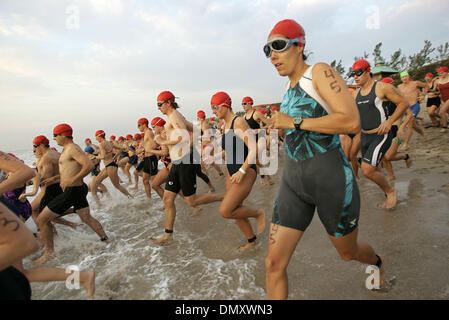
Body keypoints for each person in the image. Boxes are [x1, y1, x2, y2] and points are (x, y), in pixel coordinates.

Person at [263, 19, 385, 299]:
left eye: (279, 46)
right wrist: (281, 125)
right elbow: (299, 127)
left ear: (300, 45)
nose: (273, 55)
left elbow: (351, 121)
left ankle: (377, 262)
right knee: (273, 264)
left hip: (331, 182)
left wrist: (293, 121)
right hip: (293, 184)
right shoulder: (288, 88)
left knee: (348, 253)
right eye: (267, 50)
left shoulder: (318, 72)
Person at [0, 151, 96, 299]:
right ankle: (83, 276)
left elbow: (29, 173)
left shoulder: (48, 157)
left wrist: (31, 192)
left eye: (35, 148)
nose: (34, 150)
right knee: (23, 273)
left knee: (42, 222)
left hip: (18, 208)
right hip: (15, 209)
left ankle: (51, 248)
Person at [151, 91, 223, 245]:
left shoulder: (175, 116)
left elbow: (184, 137)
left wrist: (163, 141)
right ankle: (168, 235)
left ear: (169, 102)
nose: (158, 108)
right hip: (177, 162)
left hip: (185, 161)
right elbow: (196, 130)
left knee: (191, 201)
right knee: (168, 198)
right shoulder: (177, 116)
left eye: (160, 104)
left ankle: (225, 198)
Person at [33, 123, 111, 266]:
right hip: (77, 189)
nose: (54, 139)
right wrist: (55, 179)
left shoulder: (72, 148)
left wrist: (73, 180)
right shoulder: (66, 150)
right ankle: (106, 240)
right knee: (86, 217)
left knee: (41, 220)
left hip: (72, 190)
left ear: (63, 135)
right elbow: (69, 169)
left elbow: (88, 165)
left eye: (55, 136)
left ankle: (49, 252)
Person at [210, 92, 266, 252]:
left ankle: (258, 213)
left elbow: (253, 148)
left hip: (245, 170)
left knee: (226, 210)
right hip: (231, 169)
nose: (213, 111)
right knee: (235, 208)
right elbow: (231, 150)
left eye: (215, 107)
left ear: (225, 105)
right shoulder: (224, 125)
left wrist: (242, 170)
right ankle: (251, 240)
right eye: (212, 108)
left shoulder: (238, 122)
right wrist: (212, 156)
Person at [352, 60, 409, 209]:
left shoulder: (382, 88)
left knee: (367, 169)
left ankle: (391, 192)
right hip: (364, 136)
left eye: (358, 73)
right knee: (375, 168)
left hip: (380, 135)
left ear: (367, 71)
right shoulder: (356, 93)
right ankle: (387, 192)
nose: (355, 77)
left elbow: (403, 103)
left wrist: (390, 121)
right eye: (353, 74)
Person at [379, 77, 413, 181]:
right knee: (382, 156)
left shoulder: (400, 98)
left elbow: (409, 115)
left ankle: (406, 157)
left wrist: (402, 128)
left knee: (388, 156)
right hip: (386, 128)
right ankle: (391, 175)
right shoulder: (382, 99)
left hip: (396, 128)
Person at [91, 130, 133, 205]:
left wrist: (94, 157)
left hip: (111, 166)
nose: (95, 138)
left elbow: (103, 156)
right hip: (110, 165)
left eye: (96, 136)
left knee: (117, 185)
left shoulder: (101, 144)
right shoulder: (109, 142)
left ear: (99, 136)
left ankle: (131, 198)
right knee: (96, 181)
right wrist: (116, 156)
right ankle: (106, 198)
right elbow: (121, 148)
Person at [242, 97, 274, 186]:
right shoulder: (244, 117)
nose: (243, 106)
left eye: (244, 103)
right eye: (242, 104)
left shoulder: (256, 114)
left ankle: (264, 178)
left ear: (250, 103)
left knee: (255, 158)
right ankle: (268, 178)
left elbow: (269, 124)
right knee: (257, 162)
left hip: (260, 138)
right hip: (252, 140)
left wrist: (259, 130)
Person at [397, 71, 428, 150]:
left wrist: (423, 95)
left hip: (414, 106)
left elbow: (426, 86)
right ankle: (423, 133)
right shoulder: (399, 87)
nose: (404, 78)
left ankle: (406, 144)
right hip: (406, 108)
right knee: (413, 125)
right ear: (401, 78)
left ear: (408, 76)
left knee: (409, 124)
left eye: (405, 76)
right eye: (402, 77)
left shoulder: (415, 83)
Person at [137, 118, 159, 199]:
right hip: (146, 159)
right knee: (145, 180)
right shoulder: (146, 133)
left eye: (139, 125)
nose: (138, 127)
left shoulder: (149, 133)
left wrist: (143, 149)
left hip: (151, 158)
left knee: (155, 183)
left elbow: (154, 145)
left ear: (144, 125)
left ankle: (166, 200)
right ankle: (149, 199)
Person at [437, 66, 449, 132]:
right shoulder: (439, 79)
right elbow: (440, 90)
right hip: (443, 97)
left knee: (442, 111)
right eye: (439, 73)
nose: (440, 74)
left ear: (446, 72)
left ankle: (445, 126)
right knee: (448, 111)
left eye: (441, 73)